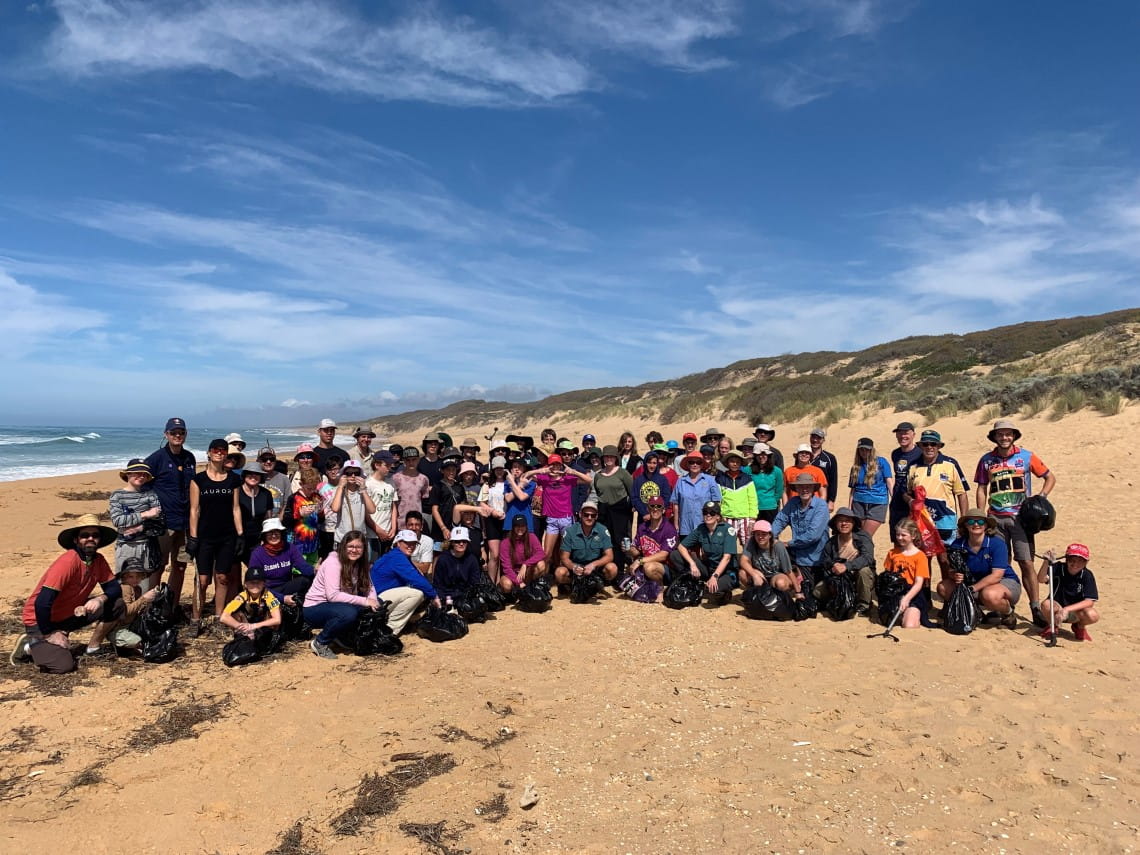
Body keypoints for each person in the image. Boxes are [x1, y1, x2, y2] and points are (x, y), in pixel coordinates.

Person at [13, 514, 124, 673]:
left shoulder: (98, 560)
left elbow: (114, 588)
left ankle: (93, 647)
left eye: (95, 535)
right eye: (84, 535)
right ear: (76, 540)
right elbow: (42, 602)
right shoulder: (68, 561)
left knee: (117, 605)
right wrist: (50, 634)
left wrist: (100, 598)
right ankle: (29, 646)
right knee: (63, 666)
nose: (90, 538)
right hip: (41, 620)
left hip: (69, 615)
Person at [975, 419, 1057, 626]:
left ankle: (1035, 606)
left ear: (1014, 436)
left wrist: (1040, 499)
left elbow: (1049, 477)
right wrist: (982, 515)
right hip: (995, 517)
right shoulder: (986, 460)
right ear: (994, 437)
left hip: (1021, 518)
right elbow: (982, 488)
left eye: (1008, 434)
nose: (1004, 438)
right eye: (1000, 434)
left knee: (1026, 562)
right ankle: (999, 605)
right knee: (999, 563)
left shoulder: (1026, 456)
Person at [188, 438, 242, 631]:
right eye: (216, 450)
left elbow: (236, 509)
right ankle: (196, 618)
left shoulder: (234, 479)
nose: (219, 453)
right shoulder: (198, 480)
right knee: (202, 581)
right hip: (204, 537)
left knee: (222, 578)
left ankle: (219, 617)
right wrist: (193, 537)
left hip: (227, 536)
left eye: (223, 450)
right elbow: (194, 510)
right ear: (209, 453)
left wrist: (240, 534)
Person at [303, 530, 381, 659]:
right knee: (348, 613)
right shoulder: (333, 563)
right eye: (350, 546)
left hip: (338, 605)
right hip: (315, 607)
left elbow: (369, 586)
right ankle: (320, 642)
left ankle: (342, 635)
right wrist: (366, 601)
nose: (354, 550)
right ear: (343, 547)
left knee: (379, 604)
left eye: (358, 547)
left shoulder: (360, 563)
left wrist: (373, 599)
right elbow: (332, 595)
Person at [938, 508, 1019, 627]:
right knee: (943, 587)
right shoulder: (957, 544)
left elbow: (997, 575)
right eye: (971, 522)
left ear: (986, 525)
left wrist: (972, 589)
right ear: (965, 525)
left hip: (1003, 582)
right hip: (972, 583)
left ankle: (1008, 613)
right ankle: (977, 613)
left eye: (980, 522)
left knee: (989, 595)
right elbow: (951, 569)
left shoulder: (996, 544)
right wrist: (954, 575)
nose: (976, 525)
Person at [906, 429, 969, 577]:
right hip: (922, 523)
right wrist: (911, 501)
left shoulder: (950, 464)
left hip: (946, 522)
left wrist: (964, 521)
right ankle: (925, 599)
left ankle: (948, 598)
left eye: (933, 444)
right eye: (926, 444)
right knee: (923, 560)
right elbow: (906, 492)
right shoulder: (913, 466)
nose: (929, 447)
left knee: (945, 560)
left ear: (939, 446)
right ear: (920, 446)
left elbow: (961, 493)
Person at [144, 416, 196, 594]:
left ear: (185, 434)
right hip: (164, 524)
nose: (177, 435)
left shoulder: (189, 458)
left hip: (185, 523)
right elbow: (142, 484)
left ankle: (171, 606)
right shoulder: (156, 458)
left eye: (181, 432)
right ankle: (150, 607)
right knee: (158, 566)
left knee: (180, 566)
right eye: (174, 432)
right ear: (166, 434)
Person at [370, 529, 442, 634]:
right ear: (398, 543)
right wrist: (434, 596)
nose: (410, 546)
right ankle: (390, 629)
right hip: (377, 600)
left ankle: (395, 622)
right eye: (407, 543)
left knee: (421, 590)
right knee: (417, 594)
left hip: (381, 596)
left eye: (413, 543)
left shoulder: (399, 556)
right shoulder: (397, 557)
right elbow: (416, 579)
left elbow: (418, 577)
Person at [527, 454, 593, 568]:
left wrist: (573, 472)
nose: (555, 467)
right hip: (552, 520)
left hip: (566, 519)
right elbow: (526, 475)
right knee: (547, 554)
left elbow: (589, 480)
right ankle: (544, 579)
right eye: (553, 465)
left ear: (561, 465)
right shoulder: (545, 479)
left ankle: (562, 579)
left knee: (564, 554)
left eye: (557, 464)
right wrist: (542, 470)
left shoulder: (567, 479)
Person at [814, 507, 877, 616]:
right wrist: (834, 565)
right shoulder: (831, 542)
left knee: (864, 571)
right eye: (840, 521)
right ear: (836, 524)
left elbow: (868, 558)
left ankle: (864, 605)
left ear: (853, 523)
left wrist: (847, 566)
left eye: (848, 521)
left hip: (859, 576)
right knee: (817, 592)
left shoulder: (863, 537)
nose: (844, 524)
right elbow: (825, 560)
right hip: (840, 579)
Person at [672, 501, 738, 604]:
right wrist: (692, 563)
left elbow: (727, 558)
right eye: (705, 512)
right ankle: (694, 582)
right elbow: (681, 546)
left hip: (726, 572)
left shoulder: (728, 530)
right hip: (708, 569)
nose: (708, 515)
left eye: (712, 513)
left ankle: (725, 593)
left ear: (718, 516)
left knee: (714, 590)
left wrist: (715, 576)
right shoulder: (701, 529)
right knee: (675, 555)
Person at [109, 458, 165, 576]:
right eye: (138, 473)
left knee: (143, 587)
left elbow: (159, 520)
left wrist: (138, 527)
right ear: (128, 474)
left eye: (145, 474)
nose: (141, 476)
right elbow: (118, 521)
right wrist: (145, 514)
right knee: (126, 586)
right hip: (126, 546)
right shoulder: (117, 495)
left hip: (147, 546)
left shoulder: (150, 495)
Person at [770, 473, 830, 582]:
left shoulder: (821, 506)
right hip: (797, 554)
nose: (804, 489)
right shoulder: (793, 502)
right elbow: (780, 520)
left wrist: (788, 543)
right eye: (801, 486)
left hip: (814, 559)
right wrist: (771, 537)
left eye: (808, 486)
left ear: (813, 488)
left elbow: (812, 536)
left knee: (811, 592)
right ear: (796, 488)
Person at [1038, 543, 1099, 642]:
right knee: (1046, 604)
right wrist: (1046, 562)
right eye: (1072, 560)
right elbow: (1041, 579)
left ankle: (1079, 627)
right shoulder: (1057, 568)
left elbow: (1090, 601)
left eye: (1080, 561)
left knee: (1093, 615)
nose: (1075, 564)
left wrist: (1067, 609)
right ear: (1066, 559)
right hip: (1056, 609)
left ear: (1086, 562)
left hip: (1076, 612)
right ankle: (1052, 625)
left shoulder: (1087, 575)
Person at [247, 518, 315, 606]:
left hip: (285, 586)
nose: (274, 536)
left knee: (306, 580)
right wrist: (282, 598)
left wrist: (316, 570)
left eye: (276, 532)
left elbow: (303, 566)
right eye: (270, 533)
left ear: (282, 533)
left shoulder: (290, 548)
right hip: (266, 592)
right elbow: (255, 585)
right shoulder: (257, 554)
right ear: (264, 536)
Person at [219, 566, 283, 656]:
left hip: (263, 628)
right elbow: (223, 617)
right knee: (236, 614)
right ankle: (244, 638)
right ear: (245, 584)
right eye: (251, 583)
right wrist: (242, 627)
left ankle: (266, 643)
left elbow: (277, 619)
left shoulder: (269, 596)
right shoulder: (242, 597)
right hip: (246, 628)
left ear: (264, 584)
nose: (255, 586)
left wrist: (254, 626)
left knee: (277, 611)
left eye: (258, 583)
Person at [881, 519, 931, 629]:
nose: (899, 538)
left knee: (909, 625)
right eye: (898, 534)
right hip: (895, 592)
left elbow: (918, 583)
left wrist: (906, 598)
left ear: (913, 535)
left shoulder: (920, 556)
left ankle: (914, 614)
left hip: (912, 594)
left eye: (903, 535)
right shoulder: (892, 553)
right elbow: (887, 575)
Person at [555, 501, 618, 586]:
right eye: (586, 515)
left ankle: (598, 584)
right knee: (559, 573)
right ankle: (573, 584)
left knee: (612, 568)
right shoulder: (570, 531)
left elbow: (609, 556)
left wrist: (593, 565)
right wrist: (574, 567)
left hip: (595, 568)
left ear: (597, 516)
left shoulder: (602, 530)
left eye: (593, 515)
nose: (589, 518)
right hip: (576, 567)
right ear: (580, 514)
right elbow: (564, 558)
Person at [107, 556, 159, 655]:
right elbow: (127, 611)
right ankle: (119, 644)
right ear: (124, 577)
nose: (135, 580)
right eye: (131, 577)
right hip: (118, 628)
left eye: (138, 576)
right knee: (136, 640)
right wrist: (144, 599)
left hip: (130, 624)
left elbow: (137, 609)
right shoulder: (126, 588)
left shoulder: (137, 588)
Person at [847, 437, 893, 540]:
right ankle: (864, 556)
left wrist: (893, 500)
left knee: (865, 536)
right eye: (861, 449)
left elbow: (889, 482)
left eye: (867, 449)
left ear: (871, 450)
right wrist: (849, 508)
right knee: (858, 535)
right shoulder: (855, 467)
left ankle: (865, 555)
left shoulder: (881, 462)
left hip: (878, 502)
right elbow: (853, 490)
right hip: (858, 503)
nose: (864, 452)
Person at [628, 496, 678, 586]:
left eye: (658, 506)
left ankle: (660, 589)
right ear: (648, 509)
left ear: (663, 510)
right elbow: (636, 550)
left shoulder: (669, 529)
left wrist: (640, 561)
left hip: (665, 569)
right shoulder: (642, 527)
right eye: (652, 506)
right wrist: (630, 549)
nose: (655, 509)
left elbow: (663, 556)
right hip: (645, 563)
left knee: (649, 567)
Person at [738, 520, 795, 594]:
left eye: (764, 534)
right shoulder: (751, 542)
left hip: (776, 575)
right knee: (742, 574)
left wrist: (798, 591)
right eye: (757, 534)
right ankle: (755, 593)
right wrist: (754, 574)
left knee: (781, 583)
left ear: (770, 535)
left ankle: (776, 595)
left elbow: (788, 571)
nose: (760, 537)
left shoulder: (778, 546)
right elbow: (743, 561)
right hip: (759, 575)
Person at [672, 451, 721, 536]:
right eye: (691, 462)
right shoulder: (680, 481)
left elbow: (717, 502)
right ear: (688, 465)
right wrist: (676, 523)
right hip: (685, 525)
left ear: (702, 465)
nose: (695, 465)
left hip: (706, 525)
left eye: (698, 462)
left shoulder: (710, 480)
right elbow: (675, 504)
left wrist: (715, 522)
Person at [282, 468, 324, 566]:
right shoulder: (293, 498)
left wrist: (320, 512)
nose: (312, 491)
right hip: (298, 544)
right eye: (309, 488)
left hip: (313, 544)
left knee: (312, 572)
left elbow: (321, 520)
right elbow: (286, 521)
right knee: (298, 572)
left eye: (314, 488)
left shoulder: (317, 497)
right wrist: (299, 514)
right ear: (301, 484)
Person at [716, 450, 758, 547]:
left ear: (741, 464)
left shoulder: (747, 479)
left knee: (747, 544)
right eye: (732, 461)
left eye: (737, 462)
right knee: (726, 544)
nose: (735, 464)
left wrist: (752, 518)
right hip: (726, 517)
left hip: (745, 517)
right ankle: (731, 562)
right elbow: (718, 499)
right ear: (727, 463)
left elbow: (752, 499)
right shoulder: (721, 479)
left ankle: (747, 562)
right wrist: (719, 515)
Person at [888, 421, 923, 536]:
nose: (903, 436)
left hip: (914, 502)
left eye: (906, 433)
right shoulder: (895, 454)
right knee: (898, 536)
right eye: (899, 433)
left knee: (915, 537)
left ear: (913, 434)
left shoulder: (921, 453)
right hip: (897, 502)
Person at [432, 527, 484, 604]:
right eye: (457, 541)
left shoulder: (472, 559)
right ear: (452, 543)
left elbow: (474, 582)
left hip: (465, 596)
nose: (461, 543)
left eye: (464, 541)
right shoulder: (443, 559)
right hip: (446, 597)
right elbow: (438, 584)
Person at [332, 460, 376, 548]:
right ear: (343, 475)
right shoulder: (338, 490)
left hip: (360, 537)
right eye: (349, 473)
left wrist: (363, 490)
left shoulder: (363, 491)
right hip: (342, 538)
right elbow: (335, 508)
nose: (352, 476)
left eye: (356, 473)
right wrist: (340, 486)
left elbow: (372, 510)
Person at [236, 463, 274, 565]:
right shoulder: (236, 492)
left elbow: (268, 518)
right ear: (244, 475)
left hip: (257, 540)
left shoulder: (266, 494)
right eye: (250, 473)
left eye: (257, 474)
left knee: (257, 572)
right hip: (237, 539)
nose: (253, 476)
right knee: (233, 576)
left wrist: (266, 538)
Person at [364, 451, 399, 560]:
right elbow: (365, 512)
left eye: (391, 464)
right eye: (386, 465)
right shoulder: (368, 484)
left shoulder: (391, 483)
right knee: (373, 564)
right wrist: (378, 530)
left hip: (388, 532)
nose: (390, 467)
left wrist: (393, 527)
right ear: (377, 465)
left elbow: (393, 506)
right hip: (372, 533)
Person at [498, 515, 547, 594]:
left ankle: (530, 587)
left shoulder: (532, 537)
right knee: (506, 585)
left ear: (526, 527)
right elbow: (506, 568)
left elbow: (541, 553)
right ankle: (516, 593)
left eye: (522, 526)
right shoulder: (505, 543)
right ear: (513, 527)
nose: (520, 528)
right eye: (517, 526)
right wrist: (519, 582)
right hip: (512, 574)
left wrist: (525, 564)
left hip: (527, 572)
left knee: (541, 564)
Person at [429, 451, 465, 541]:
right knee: (439, 553)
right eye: (448, 470)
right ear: (442, 471)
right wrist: (443, 528)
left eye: (453, 469)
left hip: (456, 527)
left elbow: (463, 505)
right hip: (440, 529)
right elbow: (434, 510)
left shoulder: (460, 487)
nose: (451, 472)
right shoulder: (437, 486)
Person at [392, 446, 431, 524]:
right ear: (403, 461)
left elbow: (424, 497)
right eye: (408, 460)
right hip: (400, 521)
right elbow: (393, 503)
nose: (411, 463)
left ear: (418, 460)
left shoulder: (423, 479)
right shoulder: (395, 478)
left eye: (414, 459)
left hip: (416, 523)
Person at [631, 450, 672, 520]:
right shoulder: (638, 480)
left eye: (654, 463)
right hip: (643, 518)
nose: (652, 466)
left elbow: (666, 497)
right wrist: (644, 513)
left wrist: (657, 512)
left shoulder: (662, 480)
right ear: (645, 463)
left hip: (659, 517)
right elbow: (635, 498)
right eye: (649, 463)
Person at [749, 443, 784, 524]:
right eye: (758, 454)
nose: (761, 457)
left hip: (770, 507)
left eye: (764, 454)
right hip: (753, 507)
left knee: (771, 532)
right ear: (755, 456)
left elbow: (779, 490)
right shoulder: (748, 470)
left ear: (768, 456)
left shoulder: (776, 471)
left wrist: (772, 501)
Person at [808, 428, 839, 511]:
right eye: (813, 437)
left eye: (818, 438)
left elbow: (833, 480)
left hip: (822, 497)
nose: (815, 440)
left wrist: (831, 501)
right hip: (804, 496)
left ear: (823, 440)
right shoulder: (803, 455)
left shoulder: (829, 458)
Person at [255, 445, 290, 517]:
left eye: (271, 459)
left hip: (278, 521)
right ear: (258, 461)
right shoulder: (253, 478)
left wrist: (281, 516)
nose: (268, 462)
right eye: (264, 459)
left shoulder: (284, 479)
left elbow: (287, 501)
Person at [503, 458, 537, 533]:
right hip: (510, 520)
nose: (517, 469)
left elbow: (522, 497)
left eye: (520, 467)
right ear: (511, 469)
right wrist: (520, 485)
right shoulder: (507, 483)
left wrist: (512, 482)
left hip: (526, 519)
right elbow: (508, 499)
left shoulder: (530, 483)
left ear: (524, 469)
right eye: (515, 467)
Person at [403, 511, 436, 577]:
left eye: (417, 525)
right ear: (406, 526)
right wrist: (418, 564)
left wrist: (404, 562)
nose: (414, 528)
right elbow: (394, 563)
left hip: (419, 576)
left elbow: (425, 568)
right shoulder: (399, 538)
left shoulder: (428, 541)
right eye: (411, 525)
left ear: (422, 527)